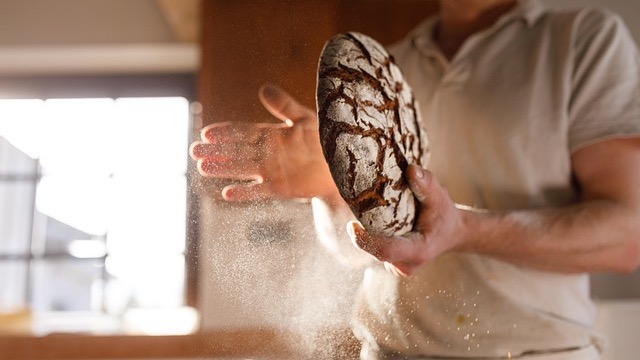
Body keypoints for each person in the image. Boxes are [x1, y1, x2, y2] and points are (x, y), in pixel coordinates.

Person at [190, 0, 640, 358]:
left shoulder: (582, 40)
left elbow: (627, 237)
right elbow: (362, 253)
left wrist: (463, 230)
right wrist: (332, 187)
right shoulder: (385, 68)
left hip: (534, 353)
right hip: (385, 351)